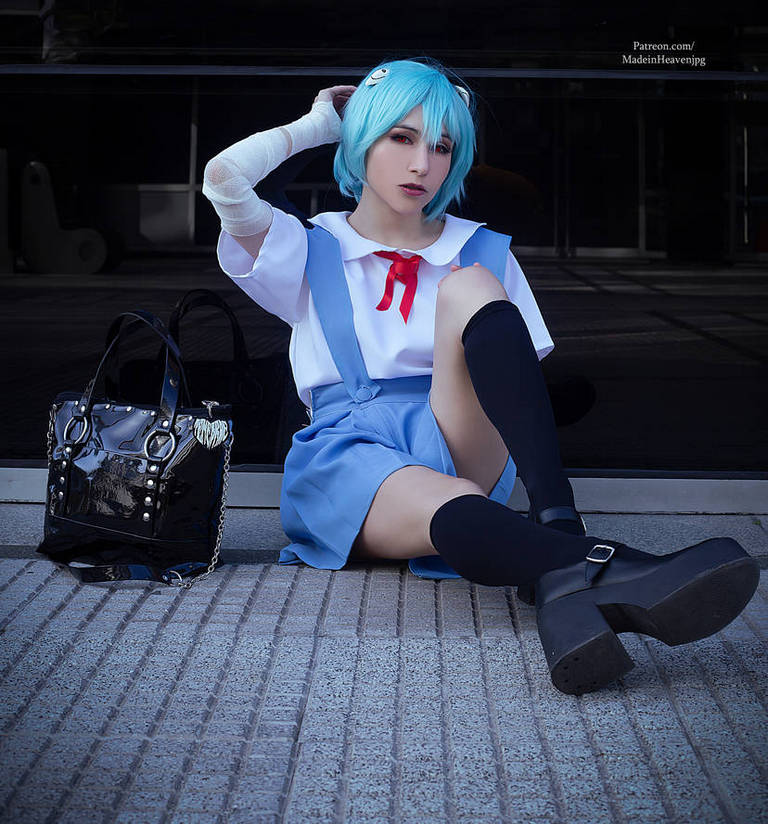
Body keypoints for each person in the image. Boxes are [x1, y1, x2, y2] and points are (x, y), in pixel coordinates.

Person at [202, 56, 758, 695]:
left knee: (470, 284)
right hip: (350, 456)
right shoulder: (307, 245)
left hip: (456, 432)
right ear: (362, 142)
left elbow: (510, 385)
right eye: (400, 138)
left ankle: (560, 530)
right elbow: (224, 179)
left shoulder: (482, 247)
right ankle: (600, 579)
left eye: (442, 147)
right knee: (454, 502)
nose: (422, 166)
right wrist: (318, 125)